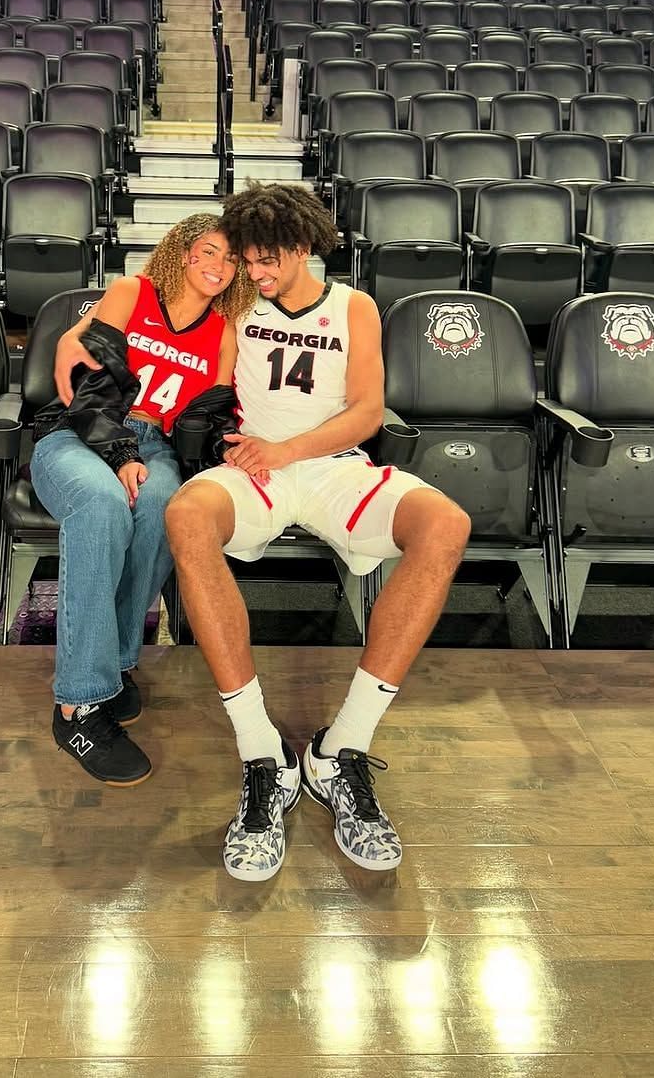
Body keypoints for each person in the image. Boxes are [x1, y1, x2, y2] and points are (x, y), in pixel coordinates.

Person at [161, 186, 470, 882]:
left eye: (267, 261)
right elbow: (206, 385)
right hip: (255, 466)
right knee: (184, 515)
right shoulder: (238, 302)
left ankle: (340, 750)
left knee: (446, 525)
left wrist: (289, 451)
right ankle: (263, 755)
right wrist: (215, 433)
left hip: (329, 466)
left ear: (302, 249)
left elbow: (366, 412)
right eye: (247, 261)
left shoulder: (353, 307)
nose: (256, 273)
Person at [32, 214, 253, 786]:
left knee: (166, 506)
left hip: (159, 448)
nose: (218, 267)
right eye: (207, 252)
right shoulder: (132, 292)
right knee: (104, 504)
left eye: (229, 260)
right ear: (183, 253)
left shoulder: (222, 330)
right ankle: (77, 706)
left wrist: (221, 463)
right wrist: (121, 453)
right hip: (82, 434)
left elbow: (210, 414)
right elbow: (92, 387)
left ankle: (119, 661)